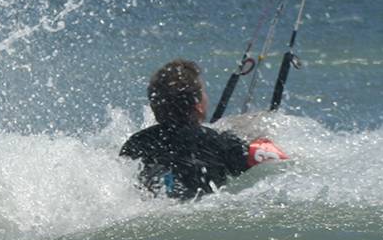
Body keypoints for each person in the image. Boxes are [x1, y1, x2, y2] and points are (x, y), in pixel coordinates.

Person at [119, 59, 286, 199]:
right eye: (203, 91)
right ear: (198, 105)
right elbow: (276, 161)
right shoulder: (220, 143)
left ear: (154, 107)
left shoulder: (136, 143)